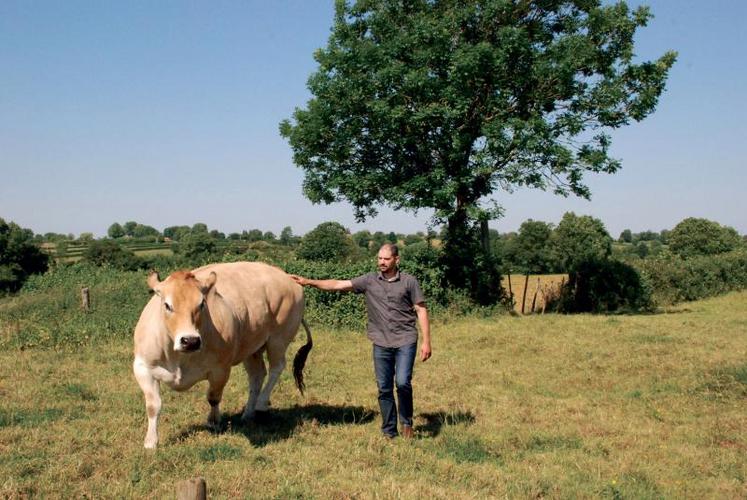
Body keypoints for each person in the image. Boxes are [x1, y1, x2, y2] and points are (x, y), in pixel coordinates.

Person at [290, 243, 431, 439]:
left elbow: (421, 310)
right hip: (380, 341)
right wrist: (308, 281)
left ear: (396, 260)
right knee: (384, 387)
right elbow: (339, 284)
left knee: (403, 382)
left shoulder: (409, 282)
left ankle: (406, 423)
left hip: (405, 339)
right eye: (380, 258)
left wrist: (426, 341)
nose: (382, 262)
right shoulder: (369, 280)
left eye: (386, 259)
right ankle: (389, 431)